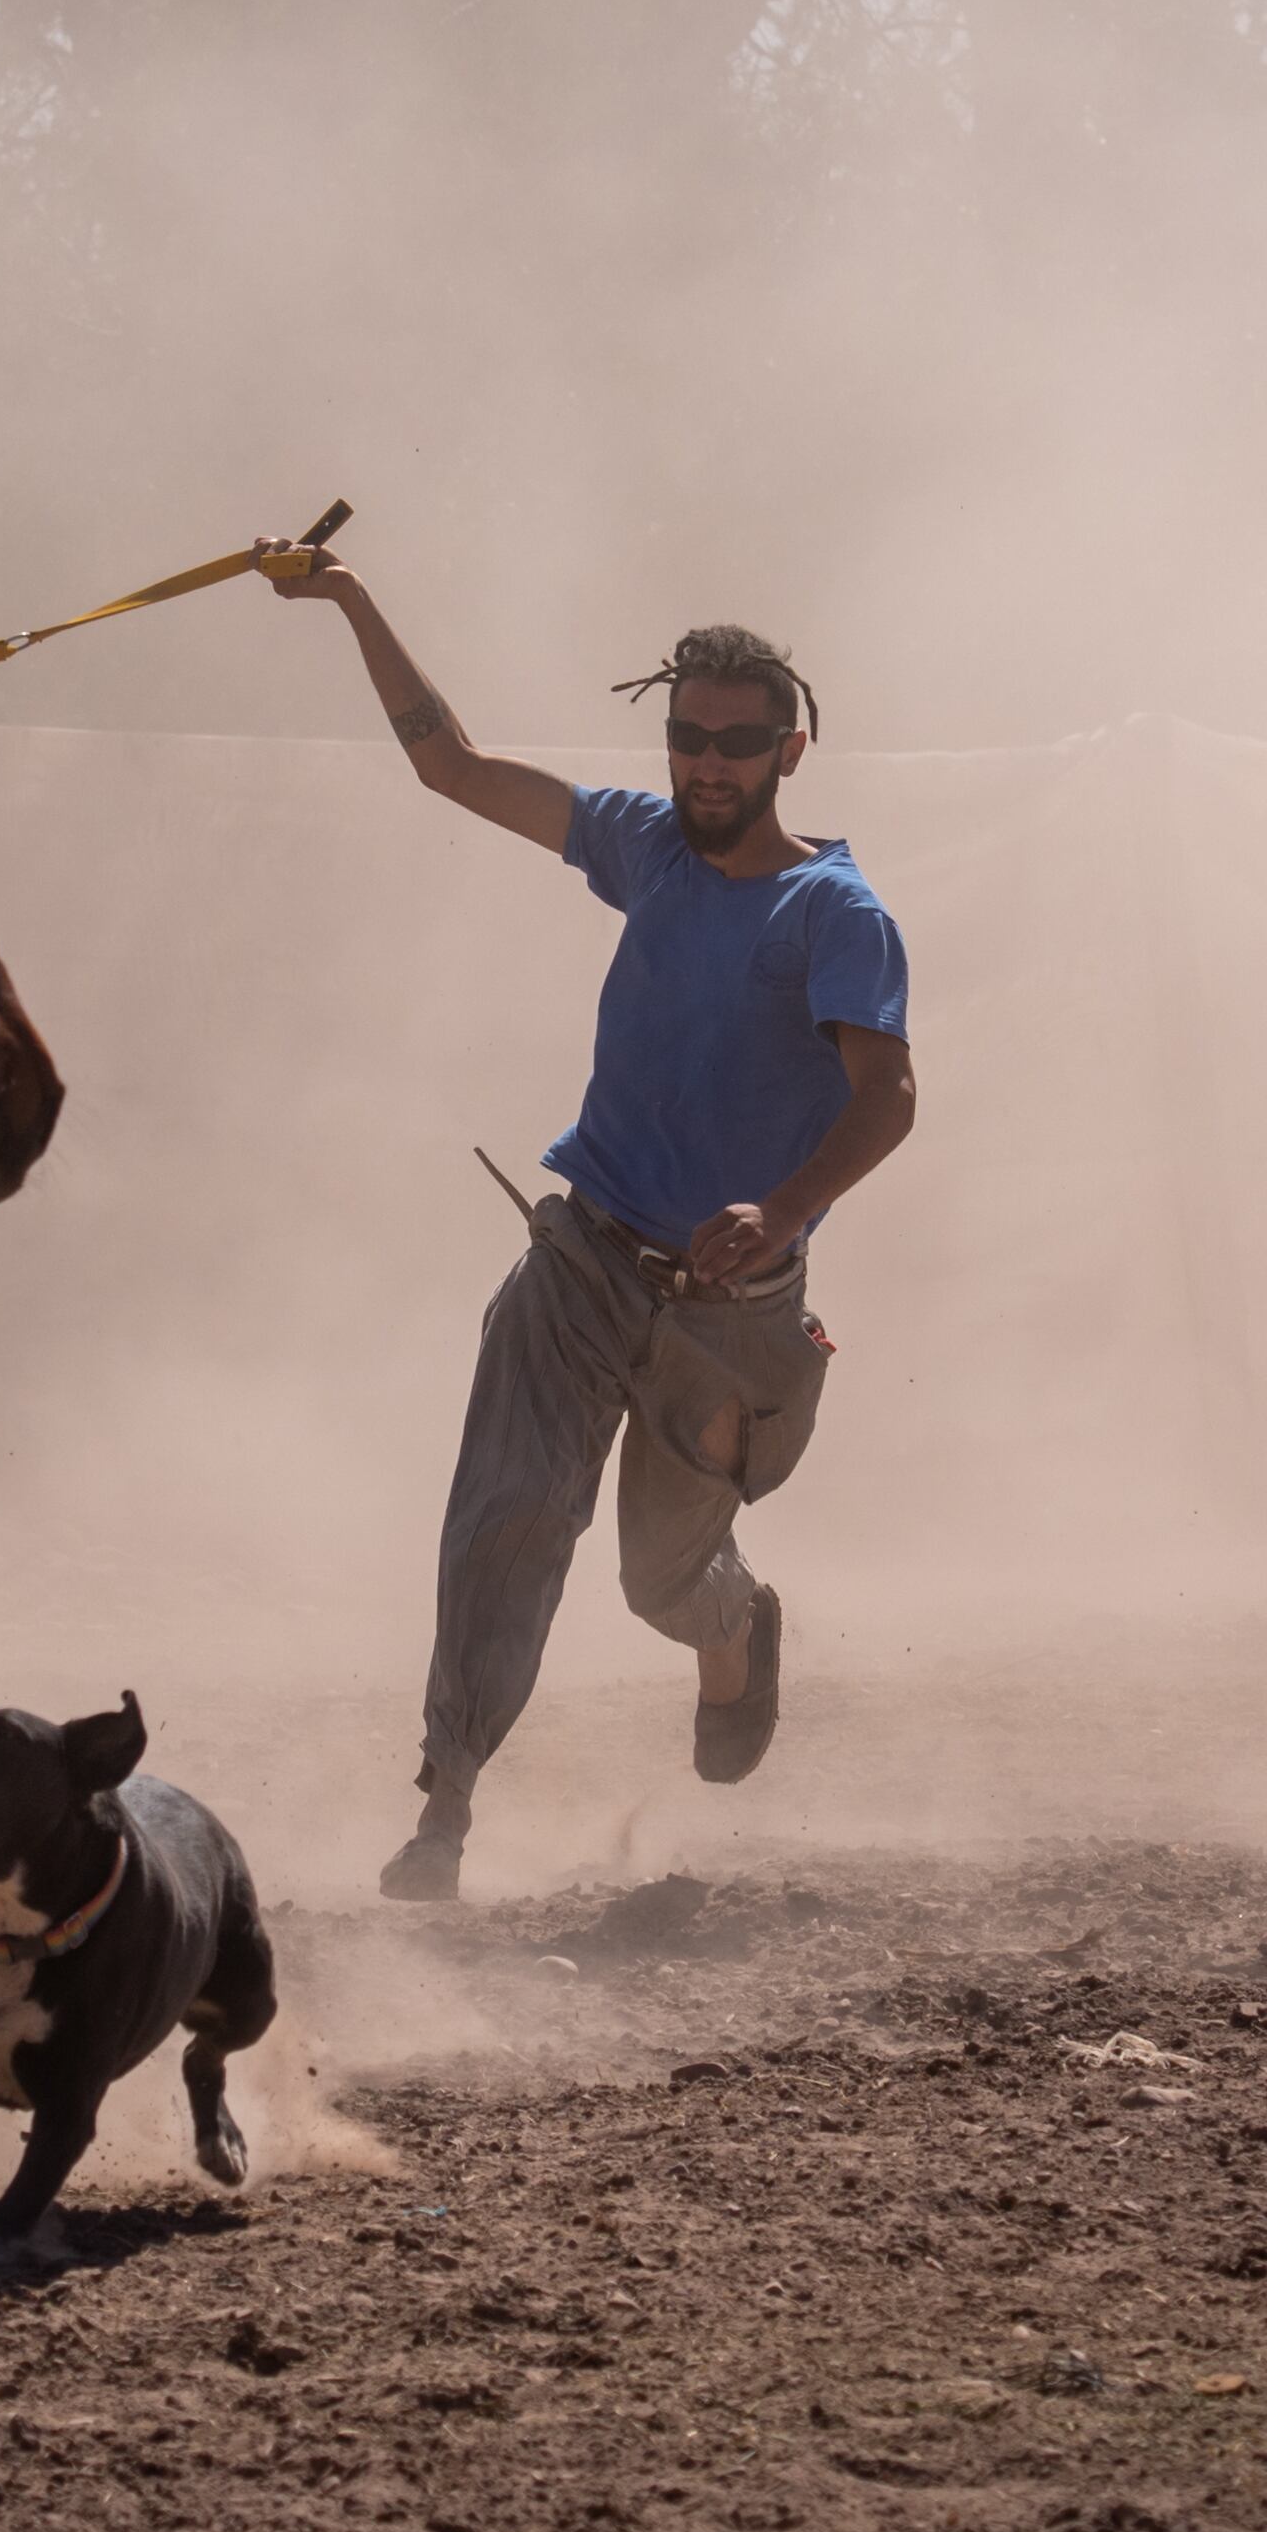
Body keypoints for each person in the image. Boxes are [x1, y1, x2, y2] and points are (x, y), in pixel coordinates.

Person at [260, 543, 916, 1901]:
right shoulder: (644, 846)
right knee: (505, 1513)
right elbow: (453, 766)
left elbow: (890, 1096)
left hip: (729, 1318)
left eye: (739, 741)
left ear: (790, 748)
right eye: (688, 736)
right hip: (585, 1256)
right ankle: (442, 1812)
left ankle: (733, 1622)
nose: (709, 764)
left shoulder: (832, 912)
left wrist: (787, 1204)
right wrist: (350, 598)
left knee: (656, 1583)